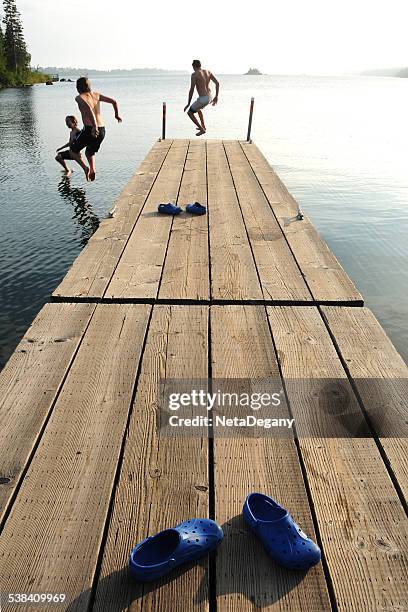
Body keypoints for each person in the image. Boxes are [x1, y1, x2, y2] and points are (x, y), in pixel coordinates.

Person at [70, 77, 122, 181]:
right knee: (89, 151)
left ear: (78, 87)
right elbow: (114, 101)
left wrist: (94, 126)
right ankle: (93, 169)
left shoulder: (79, 98)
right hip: (102, 130)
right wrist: (117, 115)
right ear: (89, 86)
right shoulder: (96, 95)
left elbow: (88, 109)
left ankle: (85, 168)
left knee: (73, 150)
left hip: (90, 129)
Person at [184, 60, 219, 136]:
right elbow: (217, 83)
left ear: (194, 66)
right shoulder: (208, 72)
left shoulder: (194, 74)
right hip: (210, 97)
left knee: (190, 113)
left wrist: (188, 103)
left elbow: (192, 90)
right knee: (198, 109)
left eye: (192, 67)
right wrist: (216, 96)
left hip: (203, 98)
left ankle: (202, 129)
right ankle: (203, 126)